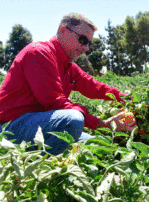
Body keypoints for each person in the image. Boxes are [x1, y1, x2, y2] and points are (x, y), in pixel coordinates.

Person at [0, 13, 136, 155]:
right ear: (64, 31)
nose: (86, 48)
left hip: (36, 125)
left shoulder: (68, 66)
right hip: (9, 127)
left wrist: (129, 98)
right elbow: (55, 103)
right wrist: (101, 124)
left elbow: (94, 87)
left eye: (89, 43)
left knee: (97, 146)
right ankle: (38, 168)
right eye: (82, 40)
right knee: (73, 120)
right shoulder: (38, 53)